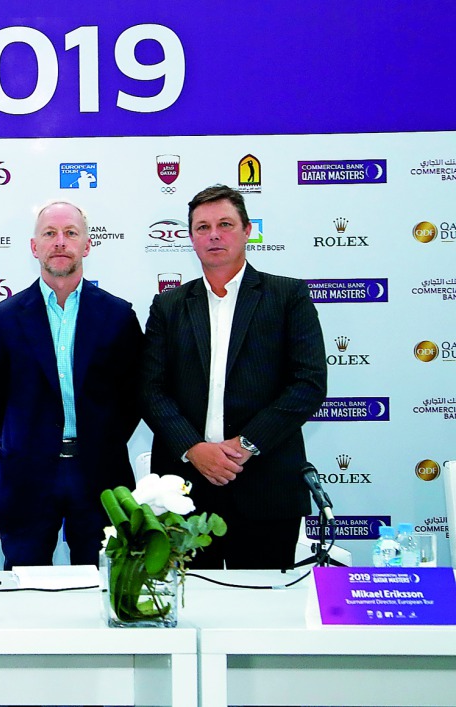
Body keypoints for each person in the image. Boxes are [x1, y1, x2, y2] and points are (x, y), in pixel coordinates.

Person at [141, 184, 326, 569]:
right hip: (184, 489)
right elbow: (150, 388)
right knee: (184, 609)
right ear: (190, 238)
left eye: (225, 224)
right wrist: (194, 448)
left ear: (247, 231)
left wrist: (245, 445)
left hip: (266, 485)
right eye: (202, 227)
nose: (214, 234)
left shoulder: (287, 296)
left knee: (264, 619)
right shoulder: (168, 306)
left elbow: (308, 384)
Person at [0, 200, 144, 568]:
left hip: (100, 474)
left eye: (70, 233)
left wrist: (105, 439)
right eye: (50, 234)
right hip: (26, 475)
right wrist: (12, 446)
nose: (60, 242)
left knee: (103, 586)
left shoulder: (118, 315)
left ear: (87, 245)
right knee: (24, 589)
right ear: (34, 246)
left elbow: (134, 396)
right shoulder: (1, 319)